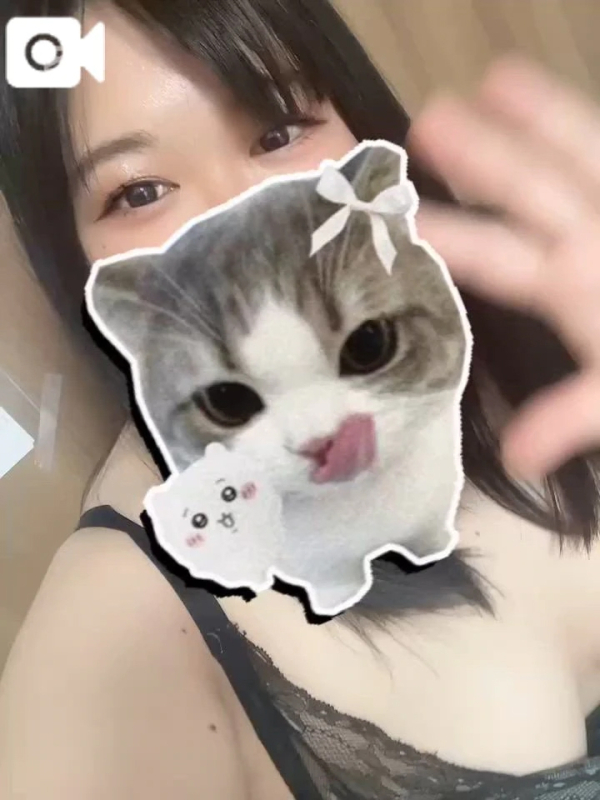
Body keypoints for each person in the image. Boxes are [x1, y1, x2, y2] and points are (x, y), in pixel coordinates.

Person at [1, 1, 600, 798]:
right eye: (140, 191)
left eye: (278, 131)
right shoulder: (121, 620)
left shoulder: (547, 315)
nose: (241, 216)